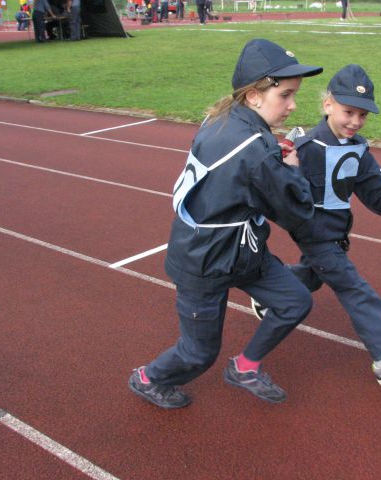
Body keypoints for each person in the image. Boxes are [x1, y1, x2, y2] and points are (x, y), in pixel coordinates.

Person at [128, 39, 323, 409]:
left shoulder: (223, 118)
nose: (293, 105)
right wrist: (293, 171)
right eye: (285, 95)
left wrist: (269, 159)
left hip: (242, 248)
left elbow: (243, 170)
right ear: (253, 96)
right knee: (198, 353)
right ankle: (148, 378)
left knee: (295, 301)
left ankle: (245, 367)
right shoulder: (255, 149)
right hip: (205, 260)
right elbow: (296, 211)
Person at [252, 65, 381, 387]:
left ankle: (269, 292)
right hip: (314, 233)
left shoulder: (357, 147)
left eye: (362, 115)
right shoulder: (305, 146)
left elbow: (373, 181)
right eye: (348, 112)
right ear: (328, 105)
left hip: (336, 232)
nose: (355, 122)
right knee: (353, 287)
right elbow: (277, 184)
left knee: (314, 276)